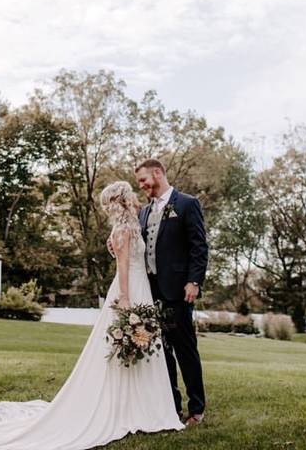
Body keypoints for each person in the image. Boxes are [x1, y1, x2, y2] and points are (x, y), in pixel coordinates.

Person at [0, 180, 183, 450]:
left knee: (141, 344)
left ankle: (142, 408)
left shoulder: (132, 226)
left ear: (115, 203)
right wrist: (124, 298)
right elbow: (122, 266)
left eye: (108, 204)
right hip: (128, 289)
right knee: (123, 345)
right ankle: (127, 409)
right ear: (125, 201)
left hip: (140, 288)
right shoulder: (123, 231)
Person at [135, 158, 208, 425]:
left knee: (185, 349)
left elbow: (199, 246)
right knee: (161, 351)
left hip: (178, 289)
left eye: (144, 180)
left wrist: (194, 281)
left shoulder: (187, 204)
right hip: (150, 290)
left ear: (157, 173)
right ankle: (172, 406)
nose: (142, 185)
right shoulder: (143, 212)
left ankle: (197, 408)